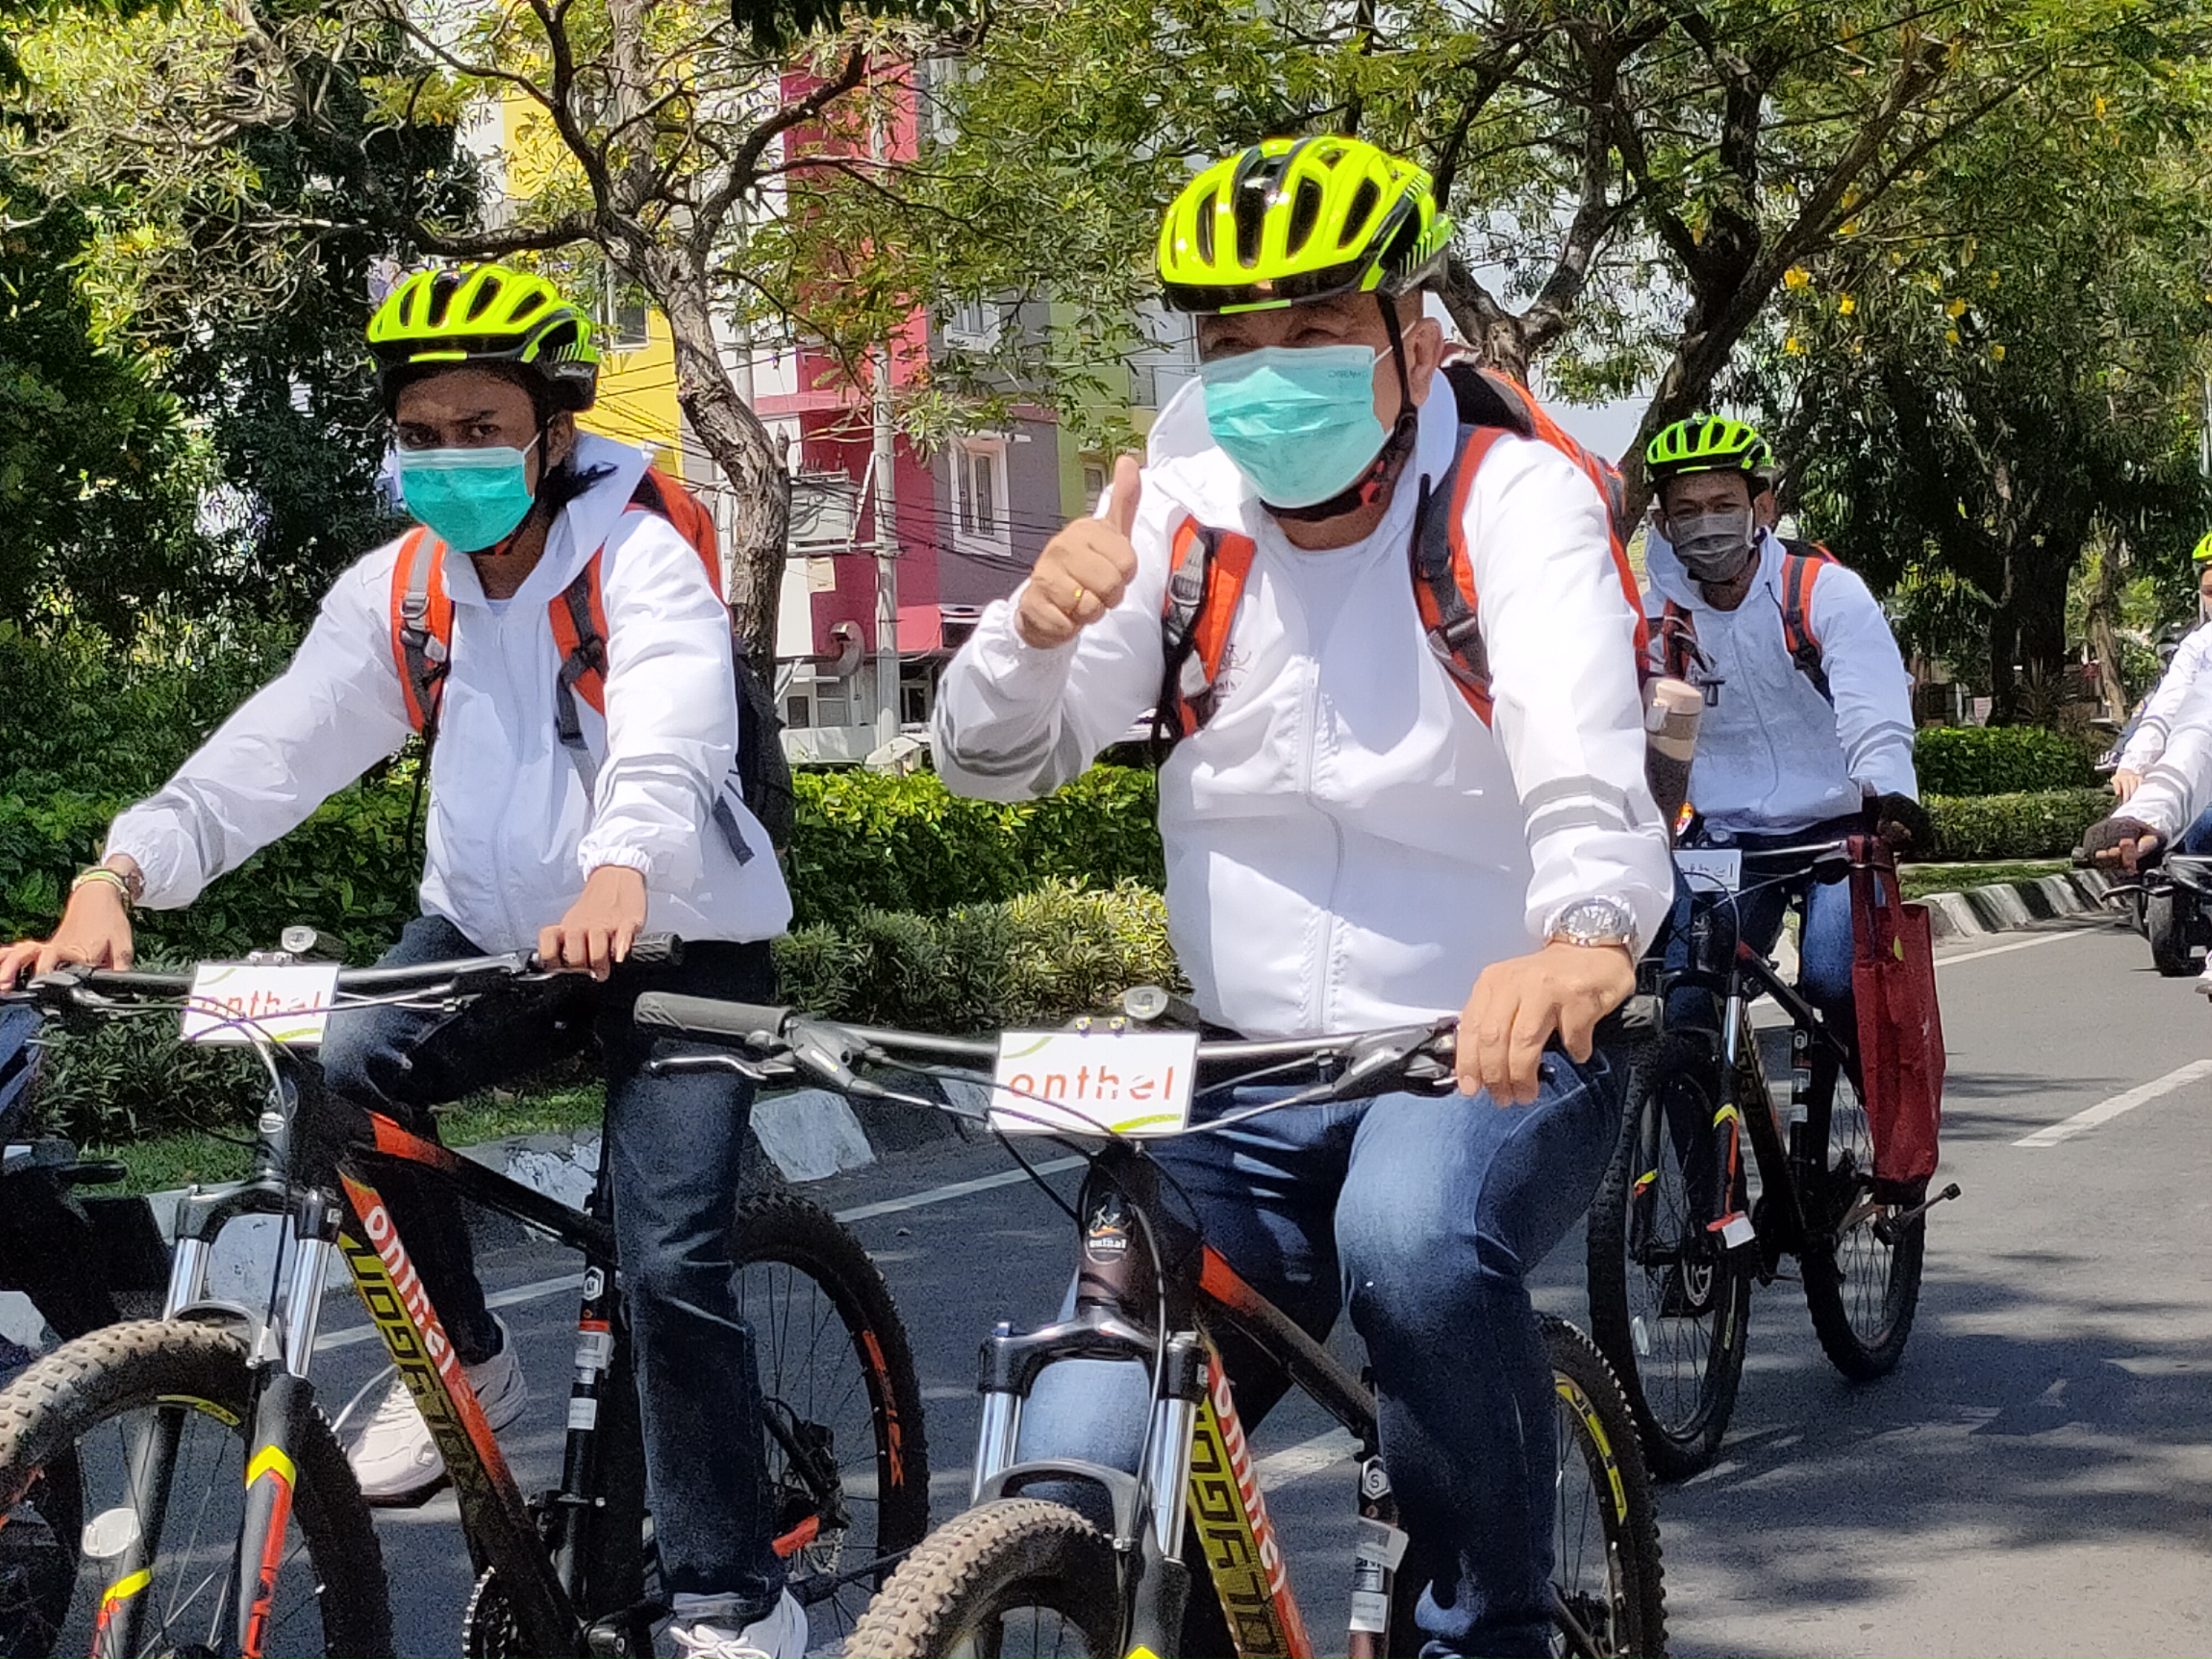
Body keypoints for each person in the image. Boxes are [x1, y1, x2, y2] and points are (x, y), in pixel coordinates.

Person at [932, 135, 1674, 1659]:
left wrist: (1584, 940)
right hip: (1244, 1074)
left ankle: (1491, 1627)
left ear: (1411, 340)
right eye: (1231, 342)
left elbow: (1582, 753)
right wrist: (1032, 631)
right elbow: (994, 767)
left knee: (1412, 1244)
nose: (1268, 373)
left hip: (1479, 1054)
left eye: (1316, 329)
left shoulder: (1512, 501)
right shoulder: (1182, 497)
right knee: (1081, 1454)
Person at [0, 265, 804, 1659]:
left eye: (481, 425)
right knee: (350, 1063)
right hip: (495, 940)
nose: (447, 457)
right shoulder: (409, 588)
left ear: (553, 431)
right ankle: (471, 1357)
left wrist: (623, 860)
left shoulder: (636, 554)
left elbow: (673, 719)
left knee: (667, 1258)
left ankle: (740, 1600)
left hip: (682, 936)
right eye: (419, 430)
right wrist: (116, 873)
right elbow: (275, 749)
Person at [1641, 415, 1926, 1037]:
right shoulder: (1659, 620)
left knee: (1834, 980)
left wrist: (1888, 789)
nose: (1705, 523)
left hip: (1837, 829)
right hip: (1729, 838)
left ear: (1762, 507)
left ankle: (1857, 1112)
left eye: (1723, 504)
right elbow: (1655, 740)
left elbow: (1870, 703)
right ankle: (1702, 1129)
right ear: (1662, 525)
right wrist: (1646, 830)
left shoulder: (1823, 591)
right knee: (1687, 999)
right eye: (1686, 511)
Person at [2108, 534, 2212, 860]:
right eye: (2209, 593)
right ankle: (2137, 829)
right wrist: (2133, 766)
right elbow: (2171, 712)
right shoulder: (2201, 647)